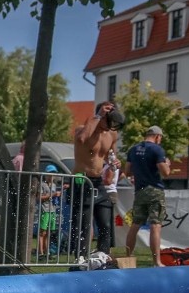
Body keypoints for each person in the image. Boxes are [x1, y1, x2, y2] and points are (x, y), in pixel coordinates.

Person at [69, 101, 122, 258]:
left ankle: (102, 256)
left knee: (105, 223)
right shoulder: (84, 129)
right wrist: (98, 115)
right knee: (83, 224)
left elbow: (111, 156)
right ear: (101, 117)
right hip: (82, 179)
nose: (110, 126)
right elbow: (82, 139)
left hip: (98, 181)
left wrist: (115, 164)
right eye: (108, 120)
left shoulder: (111, 134)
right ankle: (81, 257)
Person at [125, 126, 171, 267]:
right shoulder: (157, 150)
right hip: (155, 190)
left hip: (140, 191)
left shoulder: (133, 149)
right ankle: (156, 261)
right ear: (157, 136)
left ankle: (128, 257)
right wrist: (167, 164)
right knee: (155, 225)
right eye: (160, 138)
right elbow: (165, 173)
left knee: (135, 224)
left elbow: (127, 172)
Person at [37, 165, 61, 257]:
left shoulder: (54, 185)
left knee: (49, 232)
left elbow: (54, 195)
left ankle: (47, 252)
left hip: (52, 210)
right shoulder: (42, 185)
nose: (52, 176)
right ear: (46, 175)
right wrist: (53, 194)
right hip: (45, 210)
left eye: (53, 174)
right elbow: (39, 197)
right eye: (50, 174)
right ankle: (40, 253)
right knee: (42, 232)